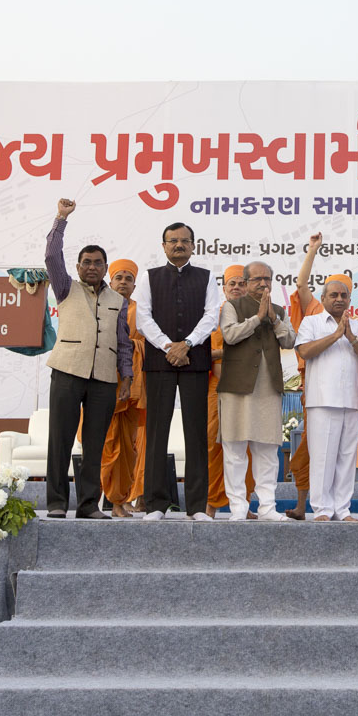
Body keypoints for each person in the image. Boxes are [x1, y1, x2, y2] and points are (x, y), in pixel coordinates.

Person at [43, 198, 133, 519]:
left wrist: (127, 379)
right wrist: (61, 219)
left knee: (95, 445)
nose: (92, 267)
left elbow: (124, 344)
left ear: (105, 268)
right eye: (86, 262)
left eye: (97, 262)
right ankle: (55, 503)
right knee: (61, 441)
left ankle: (88, 505)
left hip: (105, 380)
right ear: (78, 267)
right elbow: (52, 254)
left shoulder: (118, 300)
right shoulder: (66, 287)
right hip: (67, 371)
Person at [135, 221, 220, 521]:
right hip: (160, 364)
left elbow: (212, 316)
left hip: (194, 361)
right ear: (164, 246)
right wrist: (168, 347)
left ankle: (197, 507)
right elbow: (143, 318)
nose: (179, 245)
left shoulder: (207, 278)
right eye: (173, 241)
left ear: (194, 246)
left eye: (184, 241)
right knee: (157, 433)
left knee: (196, 434)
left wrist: (186, 344)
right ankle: (156, 504)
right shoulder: (149, 278)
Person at [218, 261, 297, 521]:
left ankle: (267, 508)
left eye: (267, 279)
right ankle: (238, 508)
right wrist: (256, 319)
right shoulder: (232, 307)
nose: (263, 284)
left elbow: (289, 341)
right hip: (236, 388)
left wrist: (273, 319)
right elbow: (229, 336)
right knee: (235, 450)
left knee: (267, 450)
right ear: (246, 282)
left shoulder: (279, 311)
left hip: (267, 389)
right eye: (257, 279)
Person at [294, 275, 358, 521]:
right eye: (334, 295)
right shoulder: (312, 322)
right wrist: (336, 335)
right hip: (322, 401)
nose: (339, 299)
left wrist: (350, 337)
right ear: (323, 299)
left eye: (343, 296)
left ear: (349, 299)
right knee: (322, 458)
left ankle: (342, 509)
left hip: (350, 401)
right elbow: (305, 351)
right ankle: (322, 509)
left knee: (347, 458)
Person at [206, 264, 255, 518]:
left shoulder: (257, 315)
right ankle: (211, 504)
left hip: (248, 390)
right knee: (214, 444)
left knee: (246, 446)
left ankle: (243, 504)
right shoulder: (213, 316)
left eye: (241, 283)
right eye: (231, 284)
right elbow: (206, 353)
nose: (236, 287)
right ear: (224, 289)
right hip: (217, 390)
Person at [101, 258, 146, 517]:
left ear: (134, 285)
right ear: (111, 281)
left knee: (129, 446)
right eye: (119, 278)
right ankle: (106, 498)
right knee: (106, 445)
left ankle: (121, 500)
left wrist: (130, 346)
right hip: (104, 382)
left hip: (132, 387)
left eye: (128, 279)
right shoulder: (102, 306)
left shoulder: (141, 311)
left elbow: (148, 343)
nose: (123, 282)